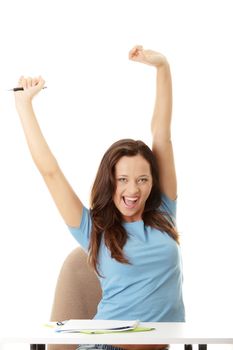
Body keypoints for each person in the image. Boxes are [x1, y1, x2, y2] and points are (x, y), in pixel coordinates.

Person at [14, 45, 185, 350]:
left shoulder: (164, 214)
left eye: (142, 180)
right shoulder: (94, 230)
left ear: (152, 182)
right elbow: (50, 171)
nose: (133, 190)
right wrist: (24, 105)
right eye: (123, 180)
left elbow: (162, 133)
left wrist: (162, 67)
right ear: (110, 182)